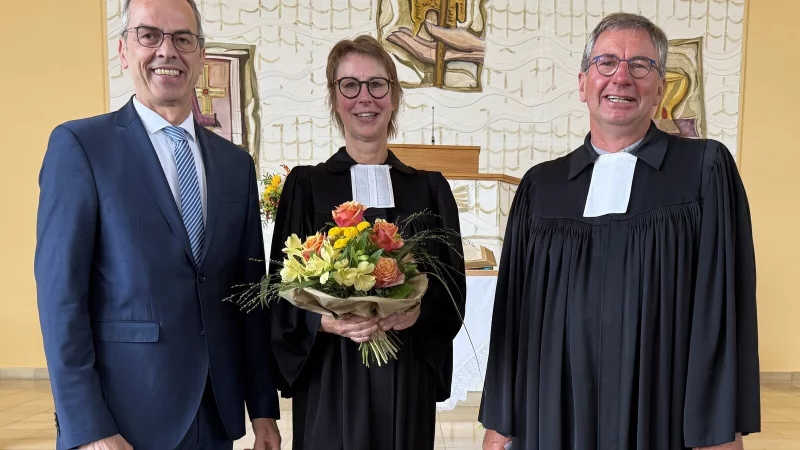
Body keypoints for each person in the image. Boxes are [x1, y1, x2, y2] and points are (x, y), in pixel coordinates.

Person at [479, 12, 760, 450]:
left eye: (641, 65)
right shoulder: (541, 186)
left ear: (660, 90)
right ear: (583, 83)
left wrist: (719, 429)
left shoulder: (702, 170)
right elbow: (513, 316)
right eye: (606, 62)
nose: (622, 77)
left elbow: (722, 306)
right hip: (554, 409)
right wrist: (500, 422)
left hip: (661, 408)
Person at [34, 0, 282, 449]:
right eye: (149, 35)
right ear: (124, 50)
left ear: (201, 55)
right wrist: (89, 428)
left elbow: (249, 297)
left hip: (216, 415)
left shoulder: (235, 165)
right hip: (123, 420)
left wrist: (263, 409)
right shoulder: (81, 147)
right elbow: (61, 299)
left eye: (183, 39)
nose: (167, 50)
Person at [267, 35, 467, 450]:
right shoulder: (306, 186)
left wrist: (417, 312)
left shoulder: (430, 190)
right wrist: (324, 321)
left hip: (405, 371)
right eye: (350, 85)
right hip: (329, 373)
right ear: (334, 97)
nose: (365, 97)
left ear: (394, 96)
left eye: (377, 84)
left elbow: (452, 289)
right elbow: (279, 290)